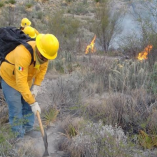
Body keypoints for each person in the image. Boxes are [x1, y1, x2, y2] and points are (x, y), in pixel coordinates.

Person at [0, 34, 59, 138]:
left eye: (47, 58)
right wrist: (33, 102)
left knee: (28, 106)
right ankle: (18, 137)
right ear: (38, 49)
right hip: (10, 78)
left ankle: (28, 130)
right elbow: (20, 82)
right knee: (16, 108)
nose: (45, 60)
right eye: (43, 57)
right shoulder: (22, 53)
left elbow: (42, 71)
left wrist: (36, 86)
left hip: (26, 78)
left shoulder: (45, 55)